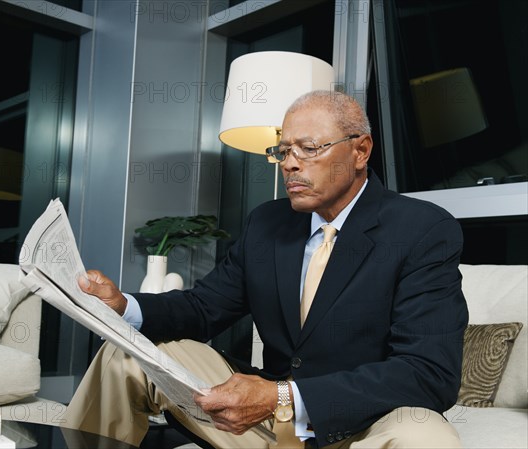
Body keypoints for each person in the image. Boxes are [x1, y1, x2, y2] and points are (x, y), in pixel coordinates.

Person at [64, 90, 468, 449]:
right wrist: (122, 306)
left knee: (426, 436)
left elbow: (428, 372)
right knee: (128, 354)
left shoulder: (422, 229)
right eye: (283, 151)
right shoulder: (268, 223)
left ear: (360, 151)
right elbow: (203, 309)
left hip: (359, 427)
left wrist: (283, 396)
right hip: (264, 426)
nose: (290, 164)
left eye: (308, 148)